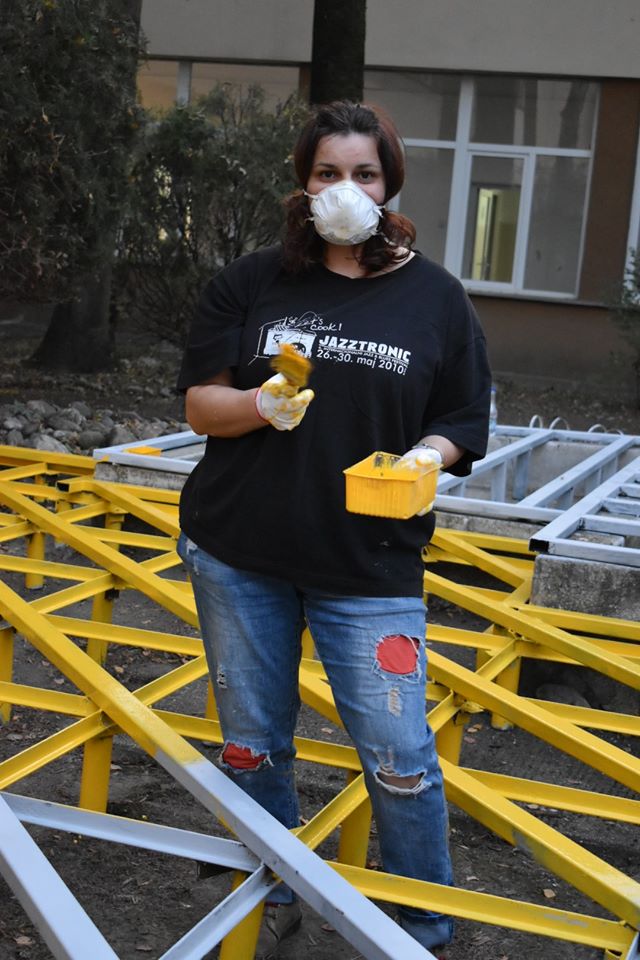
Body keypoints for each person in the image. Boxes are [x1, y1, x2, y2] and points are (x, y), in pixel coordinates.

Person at [176, 99, 491, 959]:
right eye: (327, 173)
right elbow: (201, 403)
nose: (344, 189)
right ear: (303, 183)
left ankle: (421, 927)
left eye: (363, 173)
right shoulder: (252, 282)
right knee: (253, 748)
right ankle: (267, 896)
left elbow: (463, 416)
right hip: (241, 553)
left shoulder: (435, 298)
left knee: (400, 757)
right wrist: (259, 403)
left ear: (389, 186)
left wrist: (426, 456)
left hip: (370, 565)